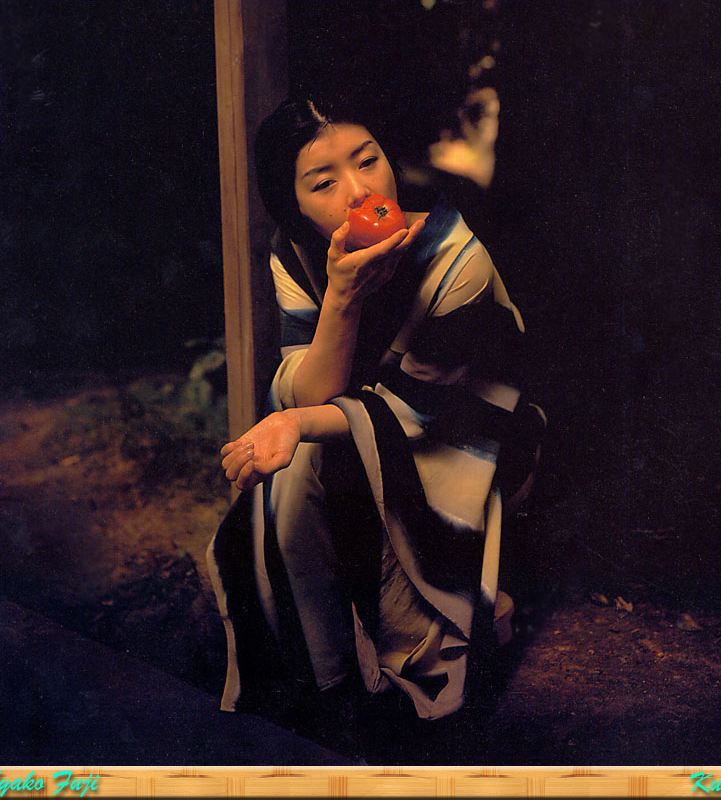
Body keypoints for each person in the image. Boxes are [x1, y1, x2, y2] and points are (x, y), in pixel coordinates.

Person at [206, 92, 545, 734]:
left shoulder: (458, 259)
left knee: (318, 457)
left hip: (468, 437)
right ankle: (324, 677)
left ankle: (395, 658)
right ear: (294, 205)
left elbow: (418, 409)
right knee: (288, 482)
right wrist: (341, 298)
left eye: (368, 161)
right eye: (324, 182)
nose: (360, 192)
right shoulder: (297, 255)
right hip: (364, 429)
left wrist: (296, 423)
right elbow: (312, 393)